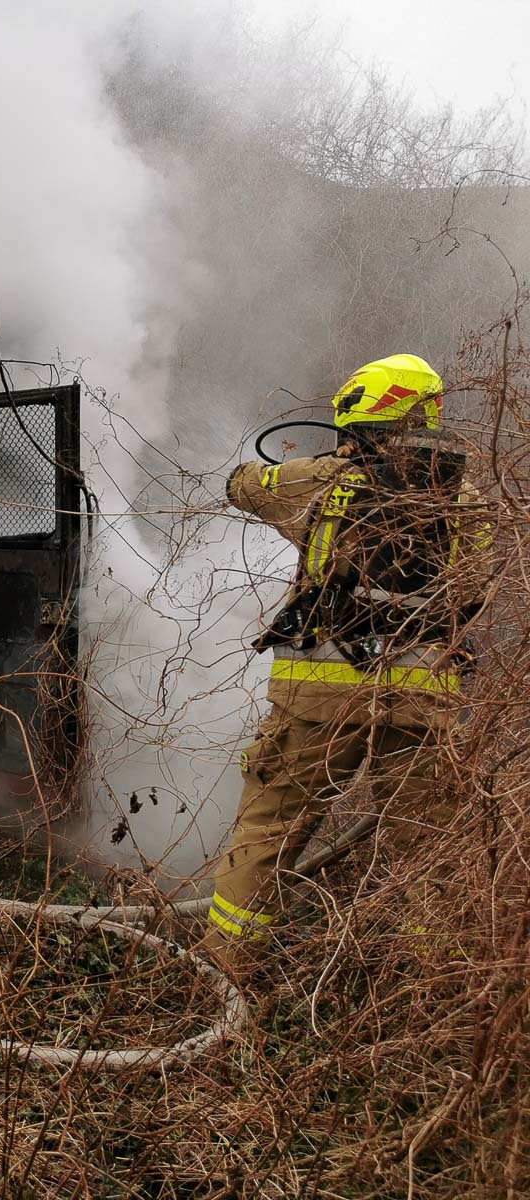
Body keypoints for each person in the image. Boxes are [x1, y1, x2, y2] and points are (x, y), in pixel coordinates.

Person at [201, 353, 488, 967]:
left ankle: (226, 967)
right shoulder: (468, 499)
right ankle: (430, 981)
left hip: (319, 698)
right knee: (426, 844)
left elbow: (241, 486)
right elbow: (474, 592)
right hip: (422, 702)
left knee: (268, 832)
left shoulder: (323, 480)